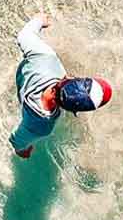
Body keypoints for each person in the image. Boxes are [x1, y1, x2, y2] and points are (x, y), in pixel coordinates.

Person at [9, 12, 113, 158]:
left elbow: (23, 35)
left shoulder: (46, 58)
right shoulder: (42, 127)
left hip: (25, 72)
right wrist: (23, 152)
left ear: (71, 79)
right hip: (24, 100)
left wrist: (39, 20)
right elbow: (15, 142)